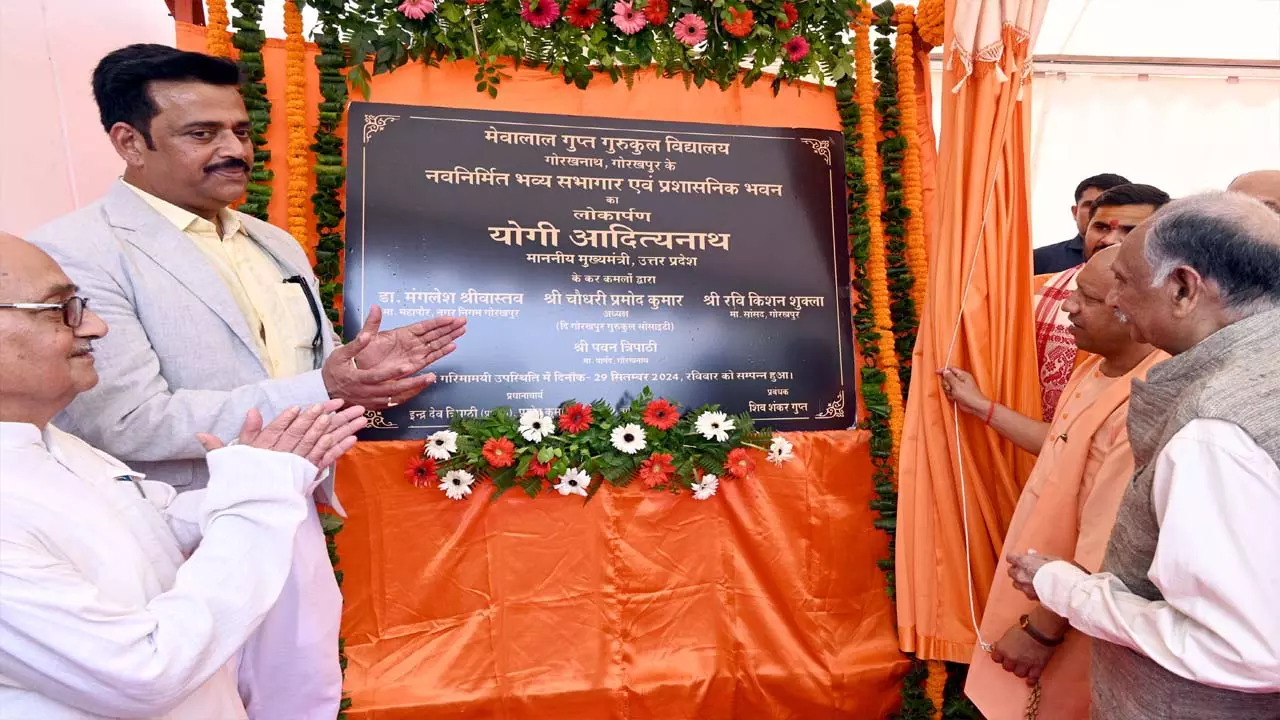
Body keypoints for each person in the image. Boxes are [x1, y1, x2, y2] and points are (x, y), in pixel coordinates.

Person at [29, 44, 465, 718]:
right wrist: (326, 387)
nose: (233, 149)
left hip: (286, 509)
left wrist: (361, 370)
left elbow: (293, 373)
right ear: (128, 141)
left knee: (305, 696)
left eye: (240, 130)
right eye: (201, 133)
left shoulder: (272, 242)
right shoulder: (76, 252)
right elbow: (124, 420)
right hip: (173, 532)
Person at [0, 232, 368, 717]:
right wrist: (259, 498)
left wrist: (259, 471)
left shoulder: (52, 444)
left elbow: (155, 525)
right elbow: (143, 673)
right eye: (59, 309)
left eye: (79, 304)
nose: (95, 326)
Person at [1009, 192, 1280, 719]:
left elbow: (1245, 649)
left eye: (1124, 284)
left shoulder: (1215, 429)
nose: (1114, 302)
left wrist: (1065, 590)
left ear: (1182, 288)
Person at [945, 247, 1166, 719]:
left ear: (1135, 308)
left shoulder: (1147, 401)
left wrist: (1040, 631)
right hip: (1040, 593)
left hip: (1072, 620)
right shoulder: (1095, 367)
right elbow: (1061, 444)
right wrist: (980, 406)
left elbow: (1107, 546)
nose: (1067, 306)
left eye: (1086, 297)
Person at [1033, 183, 1169, 422]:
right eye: (1101, 227)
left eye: (1130, 230)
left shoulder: (1168, 320)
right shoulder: (1034, 290)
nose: (1110, 240)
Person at [1033, 173, 1131, 275]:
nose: (1100, 212)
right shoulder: (1038, 260)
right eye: (1091, 205)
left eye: (1112, 206)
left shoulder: (1144, 260)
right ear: (1075, 212)